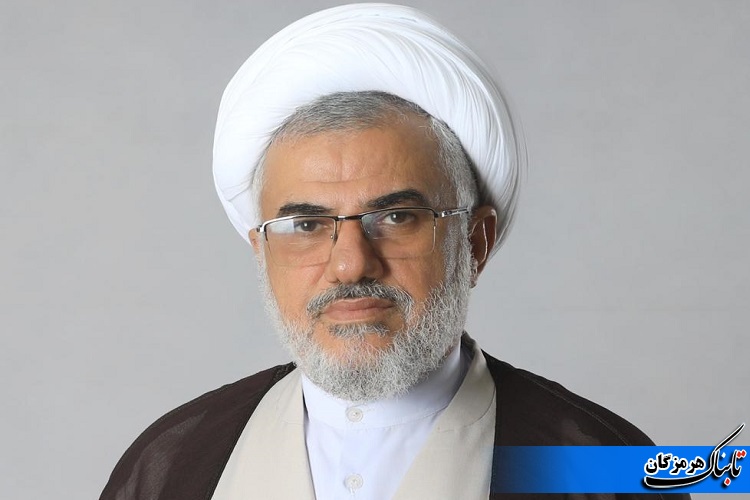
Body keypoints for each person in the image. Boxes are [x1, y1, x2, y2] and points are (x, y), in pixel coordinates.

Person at [100, 4, 688, 499]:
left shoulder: (605, 466)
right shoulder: (174, 463)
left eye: (396, 217)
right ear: (262, 252)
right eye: (307, 224)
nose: (351, 263)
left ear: (474, 242)